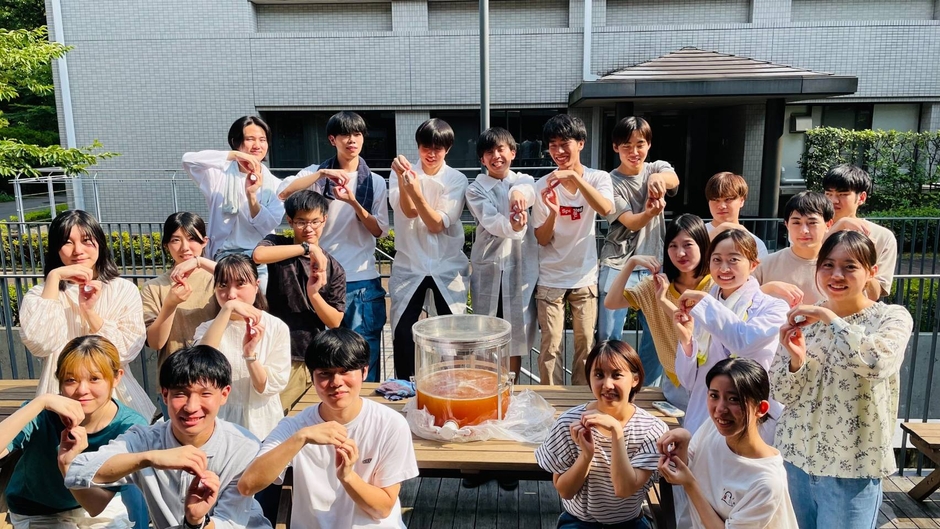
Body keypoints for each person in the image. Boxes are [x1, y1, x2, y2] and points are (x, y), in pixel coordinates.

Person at [773, 230, 913, 529]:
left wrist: (829, 318)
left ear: (871, 272)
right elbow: (781, 392)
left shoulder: (891, 318)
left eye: (850, 266)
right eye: (828, 265)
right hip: (795, 459)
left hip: (852, 467)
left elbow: (875, 363)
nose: (837, 275)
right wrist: (796, 361)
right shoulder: (805, 322)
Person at [65, 345, 271, 529]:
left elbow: (231, 522)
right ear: (165, 395)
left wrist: (196, 521)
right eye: (180, 394)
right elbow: (78, 470)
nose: (191, 407)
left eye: (205, 394)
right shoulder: (145, 440)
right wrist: (149, 458)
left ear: (224, 394)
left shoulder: (244, 447)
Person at [237, 328, 419, 529]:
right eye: (325, 373)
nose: (336, 382)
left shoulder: (390, 424)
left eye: (345, 371)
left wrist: (348, 477)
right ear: (312, 377)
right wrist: (301, 438)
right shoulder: (295, 427)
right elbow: (247, 486)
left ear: (364, 371)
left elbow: (382, 509)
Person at [276, 112, 389, 382]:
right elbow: (284, 192)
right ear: (332, 139)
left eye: (357, 134)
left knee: (364, 352)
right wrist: (322, 173)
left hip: (361, 279)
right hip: (320, 276)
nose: (352, 140)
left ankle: (365, 403)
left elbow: (379, 230)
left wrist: (352, 201)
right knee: (322, 354)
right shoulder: (315, 175)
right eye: (345, 135)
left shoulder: (373, 181)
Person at [19, 209, 154, 420]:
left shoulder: (123, 290)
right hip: (59, 395)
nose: (78, 250)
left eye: (86, 241)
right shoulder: (40, 294)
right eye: (67, 242)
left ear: (100, 243)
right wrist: (54, 277)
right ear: (55, 248)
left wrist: (90, 313)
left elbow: (125, 351)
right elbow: (41, 344)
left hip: (115, 398)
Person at [1, 336, 148, 529]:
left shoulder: (129, 426)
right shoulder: (43, 414)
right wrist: (40, 402)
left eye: (94, 378)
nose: (82, 390)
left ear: (116, 377)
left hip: (94, 504)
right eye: (71, 380)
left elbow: (96, 506)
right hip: (37, 510)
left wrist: (68, 466)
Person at [666, 229, 788, 442]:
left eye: (733, 260)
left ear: (753, 264)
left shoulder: (774, 308)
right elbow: (688, 381)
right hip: (706, 414)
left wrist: (705, 304)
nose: (723, 268)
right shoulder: (703, 309)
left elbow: (744, 342)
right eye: (716, 260)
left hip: (749, 413)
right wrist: (686, 342)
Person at [534, 340, 667, 528]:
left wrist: (616, 431)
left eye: (617, 375)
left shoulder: (651, 430)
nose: (607, 384)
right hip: (578, 522)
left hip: (629, 522)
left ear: (635, 379)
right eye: (599, 375)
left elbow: (624, 489)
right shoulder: (568, 422)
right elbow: (565, 491)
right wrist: (586, 456)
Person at [657, 358, 798, 528]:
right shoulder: (713, 428)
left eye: (734, 399)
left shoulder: (767, 483)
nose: (720, 409)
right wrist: (684, 441)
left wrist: (689, 484)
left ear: (761, 409)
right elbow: (688, 467)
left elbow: (689, 479)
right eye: (714, 396)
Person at [531, 114, 614, 385]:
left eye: (564, 143)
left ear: (581, 143)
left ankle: (581, 399)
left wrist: (575, 179)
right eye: (552, 145)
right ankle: (551, 401)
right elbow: (542, 239)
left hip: (584, 275)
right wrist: (553, 213)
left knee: (586, 345)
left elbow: (606, 209)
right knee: (551, 345)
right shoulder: (542, 185)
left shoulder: (598, 177)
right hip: (551, 277)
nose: (558, 151)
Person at [597, 117, 679, 388]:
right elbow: (631, 222)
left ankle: (640, 387)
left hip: (654, 264)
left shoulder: (656, 167)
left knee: (657, 335)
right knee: (609, 336)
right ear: (615, 147)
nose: (634, 151)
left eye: (640, 144)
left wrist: (657, 178)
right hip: (618, 264)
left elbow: (673, 178)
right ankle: (610, 387)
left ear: (649, 145)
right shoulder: (608, 181)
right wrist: (650, 212)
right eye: (626, 146)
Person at [388, 118, 470, 380]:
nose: (431, 153)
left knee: (452, 333)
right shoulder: (402, 171)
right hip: (410, 262)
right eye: (426, 147)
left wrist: (414, 189)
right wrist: (403, 181)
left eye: (438, 148)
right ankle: (404, 387)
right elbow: (409, 211)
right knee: (403, 330)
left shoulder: (456, 179)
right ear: (418, 146)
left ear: (448, 149)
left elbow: (436, 224)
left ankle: (453, 385)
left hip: (447, 264)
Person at [605, 214, 713, 410]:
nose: (680, 253)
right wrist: (631, 263)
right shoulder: (654, 285)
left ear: (702, 245)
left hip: (713, 380)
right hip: (675, 383)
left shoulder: (716, 285)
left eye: (688, 245)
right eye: (673, 246)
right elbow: (611, 302)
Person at [253, 190, 345, 410]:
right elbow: (258, 256)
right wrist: (308, 248)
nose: (309, 228)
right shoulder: (277, 244)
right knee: (272, 412)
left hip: (307, 353)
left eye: (315, 221)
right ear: (290, 221)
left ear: (324, 219)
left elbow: (334, 321)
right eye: (301, 222)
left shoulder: (334, 268)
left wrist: (314, 294)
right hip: (272, 348)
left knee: (299, 414)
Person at [465, 127, 538, 375]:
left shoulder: (523, 180)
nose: (496, 156)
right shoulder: (475, 189)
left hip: (519, 265)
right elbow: (492, 222)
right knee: (486, 333)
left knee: (515, 334)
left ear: (513, 152)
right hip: (489, 267)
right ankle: (487, 387)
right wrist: (514, 226)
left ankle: (511, 390)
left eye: (501, 149)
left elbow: (528, 191)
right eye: (489, 152)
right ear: (482, 159)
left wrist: (517, 193)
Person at [182, 115, 285, 292]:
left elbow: (268, 224)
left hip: (259, 258)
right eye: (250, 139)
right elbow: (188, 160)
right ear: (235, 142)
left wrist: (252, 197)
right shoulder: (217, 176)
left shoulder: (275, 185)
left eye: (262, 140)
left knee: (261, 307)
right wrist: (233, 156)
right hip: (224, 257)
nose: (257, 145)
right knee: (228, 305)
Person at [195, 254, 290, 441]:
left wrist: (250, 355)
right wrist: (227, 309)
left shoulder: (276, 327)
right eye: (222, 285)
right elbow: (200, 367)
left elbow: (267, 387)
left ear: (256, 285)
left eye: (240, 284)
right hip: (218, 423)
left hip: (261, 423)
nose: (231, 294)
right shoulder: (206, 329)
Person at [141, 212, 219, 372]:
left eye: (192, 238)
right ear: (166, 245)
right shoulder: (153, 287)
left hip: (215, 374)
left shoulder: (217, 280)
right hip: (173, 377)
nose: (185, 247)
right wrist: (170, 305)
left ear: (204, 242)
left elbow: (240, 276)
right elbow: (155, 343)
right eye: (176, 240)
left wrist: (199, 261)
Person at [823, 163, 898, 299]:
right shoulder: (810, 230)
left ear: (861, 198)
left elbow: (874, 295)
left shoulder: (882, 237)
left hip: (858, 311)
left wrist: (864, 256)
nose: (833, 200)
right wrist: (838, 226)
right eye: (829, 194)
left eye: (843, 194)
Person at [754, 191, 834, 306]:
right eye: (796, 223)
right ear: (787, 225)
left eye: (812, 223)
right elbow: (741, 303)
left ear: (828, 225)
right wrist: (769, 288)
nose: (804, 230)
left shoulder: (840, 268)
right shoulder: (764, 266)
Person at [703, 172, 768, 259]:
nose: (721, 206)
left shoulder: (756, 244)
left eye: (728, 199)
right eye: (715, 200)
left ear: (741, 201)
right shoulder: (694, 235)